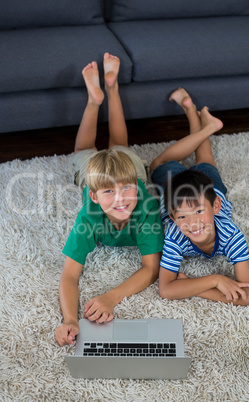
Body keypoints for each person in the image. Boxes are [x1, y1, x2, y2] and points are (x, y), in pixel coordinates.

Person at [55, 53, 164, 346]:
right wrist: (70, 319)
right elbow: (69, 275)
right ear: (92, 196)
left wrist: (111, 297)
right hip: (104, 168)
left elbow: (151, 269)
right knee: (86, 151)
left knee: (118, 148)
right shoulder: (89, 213)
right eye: (108, 194)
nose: (121, 200)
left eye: (128, 190)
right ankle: (98, 96)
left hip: (128, 167)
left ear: (138, 187)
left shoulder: (145, 204)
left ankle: (105, 92)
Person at [150, 88, 249, 306]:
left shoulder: (232, 235)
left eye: (198, 212)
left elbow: (247, 297)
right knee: (202, 160)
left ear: (216, 206)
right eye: (182, 217)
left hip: (208, 190)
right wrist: (216, 280)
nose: (192, 223)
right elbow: (166, 289)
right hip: (186, 191)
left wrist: (194, 287)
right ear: (172, 217)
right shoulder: (175, 233)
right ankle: (198, 118)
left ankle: (194, 114)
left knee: (162, 164)